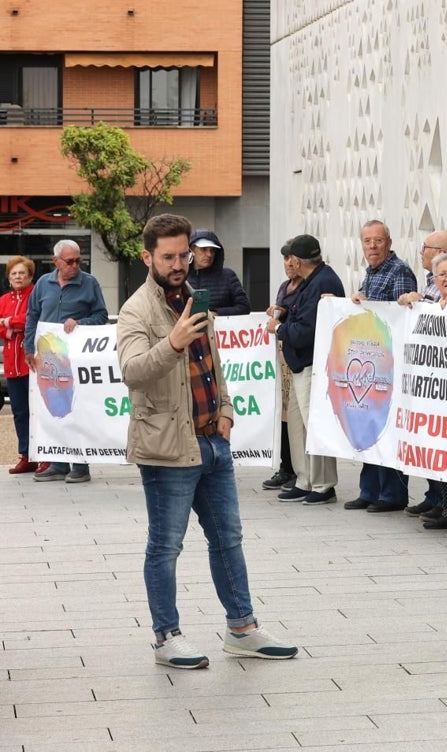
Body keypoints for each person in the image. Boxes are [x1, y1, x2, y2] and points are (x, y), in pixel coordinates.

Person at [116, 213, 297, 669]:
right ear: (147, 257)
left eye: (185, 255)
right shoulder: (138, 309)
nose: (180, 263)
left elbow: (213, 366)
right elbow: (132, 372)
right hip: (166, 447)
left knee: (228, 538)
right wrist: (173, 342)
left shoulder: (196, 299)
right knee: (166, 546)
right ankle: (166, 636)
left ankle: (243, 628)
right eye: (170, 256)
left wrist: (226, 412)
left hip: (211, 442)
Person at [344, 220, 418, 514]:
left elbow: (400, 315)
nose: (372, 247)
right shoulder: (371, 273)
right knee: (369, 424)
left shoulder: (399, 271)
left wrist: (370, 304)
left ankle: (393, 494)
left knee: (388, 428)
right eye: (367, 241)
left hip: (390, 364)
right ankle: (370, 489)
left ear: (389, 243)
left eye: (377, 241)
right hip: (371, 364)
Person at [400, 252, 447, 532]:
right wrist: (408, 300)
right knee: (442, 449)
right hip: (438, 394)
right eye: (441, 274)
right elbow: (407, 305)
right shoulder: (433, 306)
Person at [266, 234, 345, 504]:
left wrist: (278, 328)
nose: (287, 262)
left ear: (298, 261)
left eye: (289, 257)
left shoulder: (323, 281)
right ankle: (305, 478)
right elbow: (301, 315)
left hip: (315, 364)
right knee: (298, 425)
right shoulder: (312, 281)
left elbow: (307, 331)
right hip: (302, 363)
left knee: (316, 425)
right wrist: (284, 314)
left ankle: (323, 485)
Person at [27, 239, 109, 484]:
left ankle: (81, 465)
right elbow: (32, 316)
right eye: (69, 261)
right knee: (54, 408)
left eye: (78, 260)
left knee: (77, 410)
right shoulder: (43, 284)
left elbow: (102, 316)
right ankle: (58, 463)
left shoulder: (89, 283)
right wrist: (28, 347)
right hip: (49, 360)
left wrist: (80, 323)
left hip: (77, 360)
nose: (75, 265)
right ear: (56, 261)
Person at [262, 241, 304, 491]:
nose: (289, 263)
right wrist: (277, 311)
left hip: (297, 359)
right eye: (286, 259)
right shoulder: (283, 287)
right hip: (282, 359)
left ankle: (295, 469)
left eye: (293, 258)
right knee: (284, 415)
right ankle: (285, 466)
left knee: (295, 418)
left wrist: (283, 316)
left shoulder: (306, 287)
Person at [1, 256, 44, 474]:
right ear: (9, 278)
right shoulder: (3, 300)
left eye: (22, 273)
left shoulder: (36, 295)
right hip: (12, 363)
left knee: (40, 410)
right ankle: (26, 455)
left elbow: (32, 320)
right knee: (19, 412)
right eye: (14, 274)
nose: (18, 277)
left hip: (34, 363)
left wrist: (8, 322)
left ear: (30, 276)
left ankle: (45, 456)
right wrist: (11, 326)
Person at [187, 230, 251, 315]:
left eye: (212, 250)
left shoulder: (228, 276)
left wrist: (217, 313)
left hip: (221, 327)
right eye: (203, 249)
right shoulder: (182, 277)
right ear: (191, 250)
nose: (209, 254)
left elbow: (244, 307)